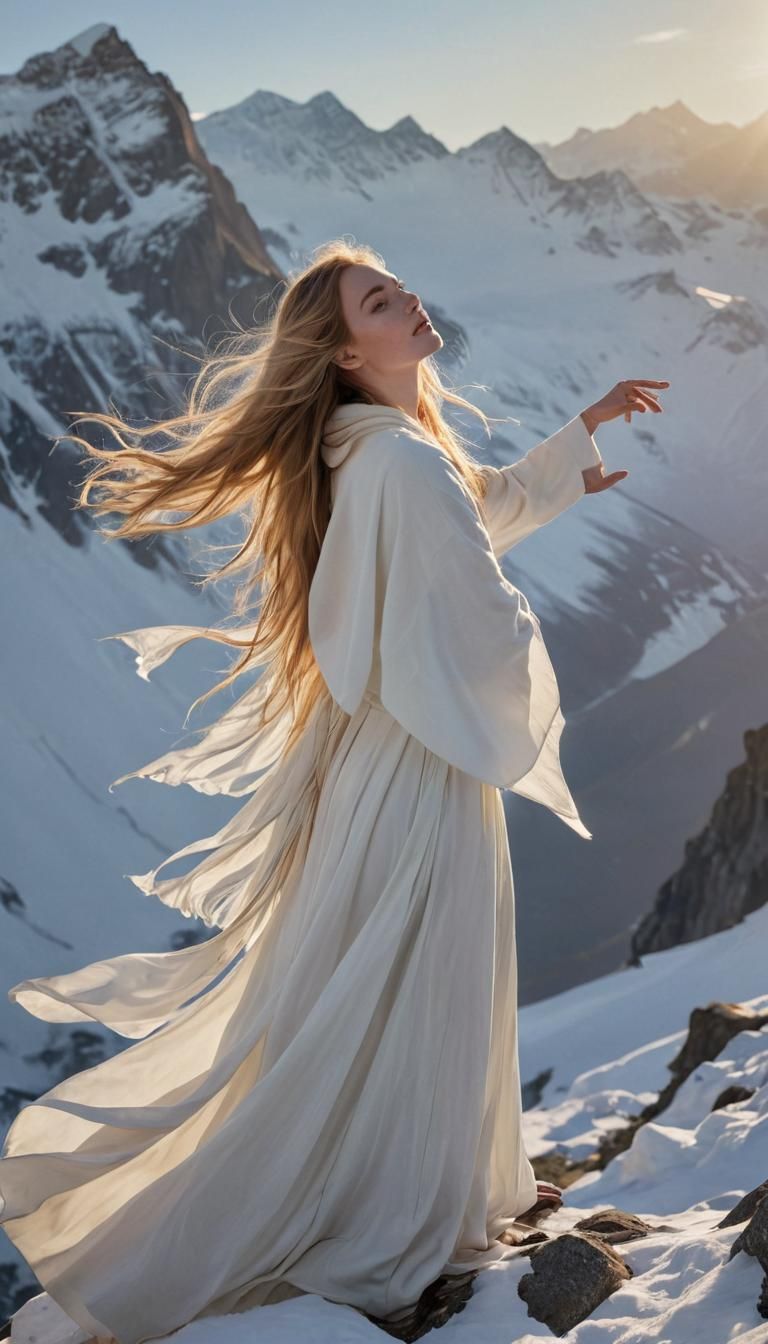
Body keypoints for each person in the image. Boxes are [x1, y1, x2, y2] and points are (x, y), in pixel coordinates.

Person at [0, 238, 669, 1344]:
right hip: (421, 768)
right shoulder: (397, 460)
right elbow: (466, 597)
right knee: (426, 974)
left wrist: (576, 441)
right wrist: (512, 619)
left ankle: (450, 1191)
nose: (409, 300)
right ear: (348, 353)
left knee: (399, 979)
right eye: (380, 300)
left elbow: (459, 516)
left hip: (387, 763)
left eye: (399, 286)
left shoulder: (377, 449)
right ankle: (405, 1215)